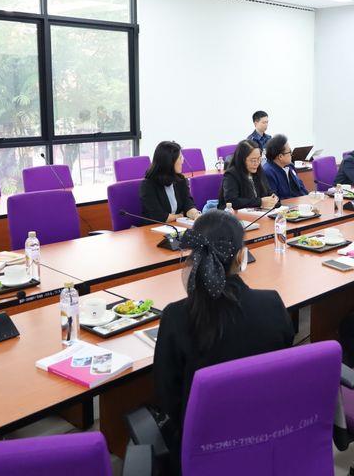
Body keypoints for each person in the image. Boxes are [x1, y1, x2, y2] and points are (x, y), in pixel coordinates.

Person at [153, 211, 294, 472]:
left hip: (202, 451)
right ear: (241, 257)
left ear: (194, 257)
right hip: (267, 440)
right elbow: (284, 365)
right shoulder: (272, 303)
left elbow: (167, 397)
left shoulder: (175, 316)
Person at [139, 141, 202, 224]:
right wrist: (180, 216)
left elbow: (188, 204)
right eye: (180, 158)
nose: (182, 161)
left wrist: (196, 215)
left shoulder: (180, 180)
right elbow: (160, 216)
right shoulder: (148, 185)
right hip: (154, 227)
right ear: (170, 162)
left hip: (176, 225)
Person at [218, 140, 279, 210]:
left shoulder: (259, 170)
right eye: (253, 160)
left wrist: (273, 198)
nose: (256, 163)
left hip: (257, 212)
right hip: (234, 214)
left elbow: (268, 191)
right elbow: (232, 202)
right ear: (242, 160)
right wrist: (260, 202)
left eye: (259, 159)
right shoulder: (231, 175)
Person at [262, 134, 309, 200]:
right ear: (280, 156)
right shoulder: (268, 172)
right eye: (289, 152)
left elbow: (301, 187)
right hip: (286, 205)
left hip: (299, 202)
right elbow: (275, 199)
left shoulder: (290, 166)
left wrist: (309, 198)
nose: (291, 154)